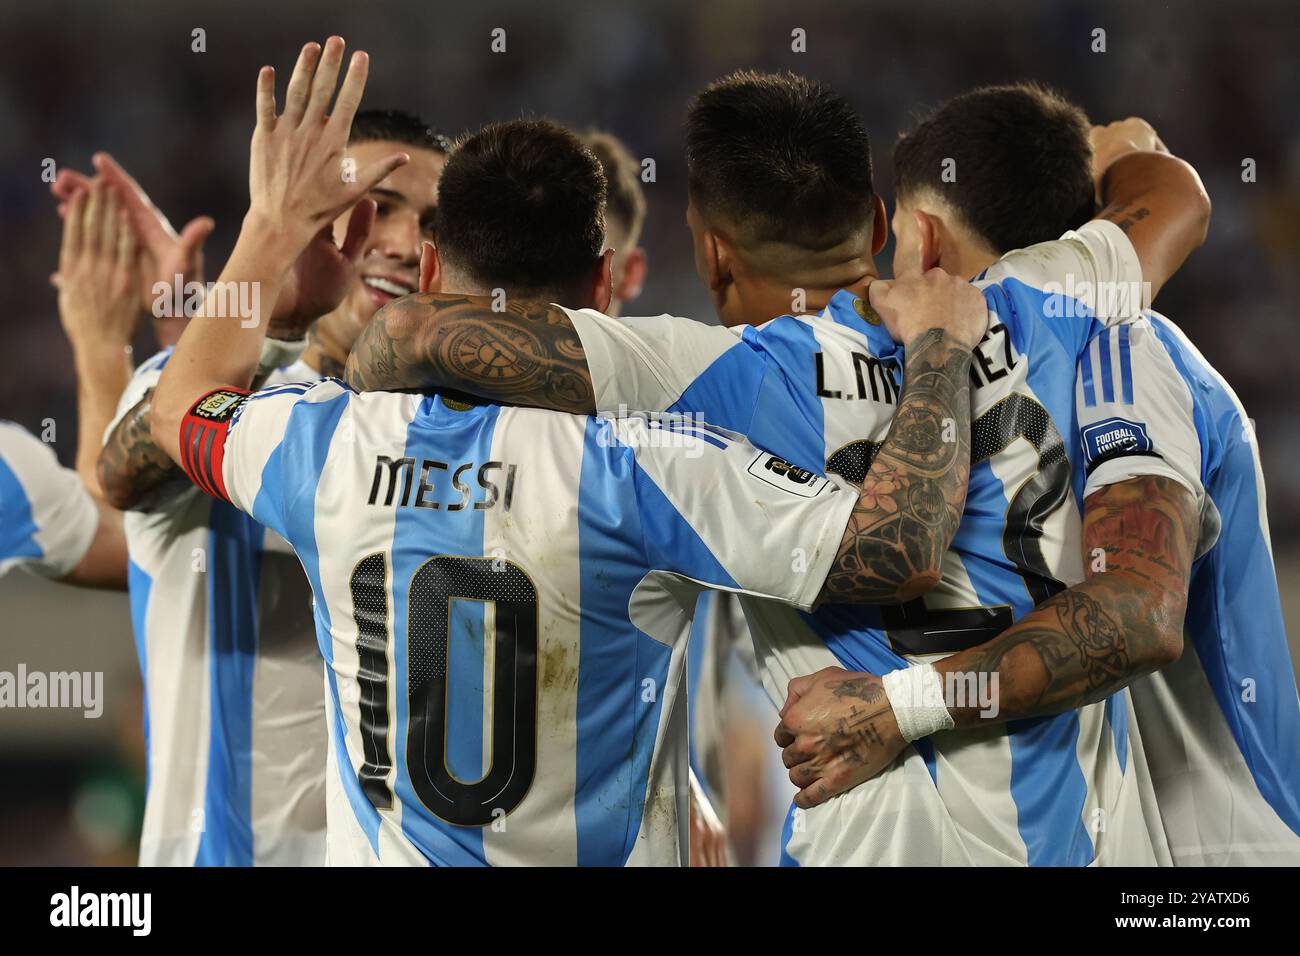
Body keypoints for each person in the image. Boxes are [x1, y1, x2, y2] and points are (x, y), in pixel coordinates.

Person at [147, 37, 989, 865]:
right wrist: (942, 352)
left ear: (433, 266)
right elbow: (899, 546)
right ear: (599, 286)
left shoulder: (319, 442)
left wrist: (269, 228)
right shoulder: (652, 467)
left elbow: (177, 407)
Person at [343, 74, 1211, 865]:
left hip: (870, 839)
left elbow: (413, 338)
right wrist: (1112, 147)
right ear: (878, 225)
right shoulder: (1041, 295)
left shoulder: (700, 375)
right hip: (1086, 841)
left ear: (712, 255)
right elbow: (1176, 196)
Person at [52, 108, 447, 866]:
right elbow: (120, 483)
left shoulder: (459, 439)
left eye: (431, 222)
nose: (400, 243)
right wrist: (253, 323)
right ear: (293, 222)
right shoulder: (212, 412)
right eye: (367, 210)